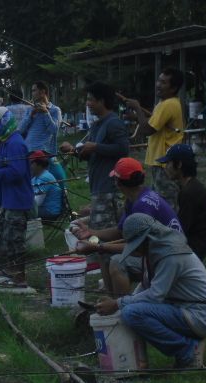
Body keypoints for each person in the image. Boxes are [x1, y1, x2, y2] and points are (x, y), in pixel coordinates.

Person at [95, 213, 206, 368]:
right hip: (180, 308)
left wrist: (118, 303)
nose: (135, 250)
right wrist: (123, 302)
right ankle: (186, 348)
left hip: (197, 315)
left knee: (131, 313)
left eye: (136, 245)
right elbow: (146, 286)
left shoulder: (170, 255)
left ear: (147, 238)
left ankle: (188, 350)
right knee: (130, 309)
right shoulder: (156, 250)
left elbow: (155, 295)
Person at [72, 157, 182, 296]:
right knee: (104, 254)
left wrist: (97, 246)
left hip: (167, 259)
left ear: (118, 182)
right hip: (161, 253)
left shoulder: (142, 204)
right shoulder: (137, 197)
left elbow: (136, 249)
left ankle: (119, 307)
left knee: (116, 262)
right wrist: (91, 232)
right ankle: (111, 300)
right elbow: (120, 231)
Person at [60, 82, 129, 289]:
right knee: (97, 242)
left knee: (100, 242)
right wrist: (73, 151)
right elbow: (88, 154)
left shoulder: (114, 123)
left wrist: (96, 146)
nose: (88, 103)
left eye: (91, 99)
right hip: (98, 189)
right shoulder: (98, 124)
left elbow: (123, 149)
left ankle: (112, 292)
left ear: (102, 101)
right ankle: (109, 287)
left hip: (109, 190)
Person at [0, 106, 34, 286]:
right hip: (5, 199)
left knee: (14, 239)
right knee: (2, 235)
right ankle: (9, 268)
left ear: (5, 122)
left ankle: (20, 275)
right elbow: (0, 172)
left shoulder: (16, 144)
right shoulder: (4, 143)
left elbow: (17, 173)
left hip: (17, 200)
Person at [124, 68, 185, 210]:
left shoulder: (168, 104)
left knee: (167, 205)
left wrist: (137, 108)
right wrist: (136, 117)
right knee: (159, 202)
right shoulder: (164, 103)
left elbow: (147, 130)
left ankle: (173, 230)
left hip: (165, 164)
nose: (158, 85)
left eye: (163, 82)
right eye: (158, 80)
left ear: (174, 87)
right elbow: (152, 123)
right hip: (160, 162)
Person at [157, 144, 206, 260]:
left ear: (179, 164)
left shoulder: (189, 192)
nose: (165, 167)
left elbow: (180, 229)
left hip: (193, 249)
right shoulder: (190, 186)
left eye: (168, 163)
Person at [18, 81, 65, 183]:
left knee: (42, 182)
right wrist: (30, 116)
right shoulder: (30, 109)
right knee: (30, 182)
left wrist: (45, 113)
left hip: (44, 152)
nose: (32, 93)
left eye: (34, 90)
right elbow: (20, 130)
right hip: (29, 150)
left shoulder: (55, 110)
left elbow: (54, 130)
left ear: (42, 92)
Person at [30, 150, 63, 221]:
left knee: (21, 213)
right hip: (42, 208)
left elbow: (37, 202)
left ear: (38, 164)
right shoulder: (36, 177)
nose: (29, 166)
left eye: (31, 163)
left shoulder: (44, 178)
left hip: (50, 211)